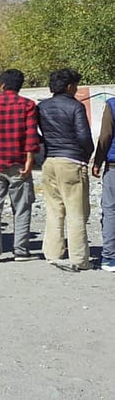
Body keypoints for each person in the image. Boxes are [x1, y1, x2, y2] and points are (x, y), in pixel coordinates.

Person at [0, 69, 41, 263]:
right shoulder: (28, 105)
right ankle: (20, 250)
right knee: (22, 207)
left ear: (2, 85)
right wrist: (30, 160)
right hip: (19, 164)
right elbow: (31, 135)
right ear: (19, 86)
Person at [38, 69, 94, 272]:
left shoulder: (42, 107)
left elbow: (39, 135)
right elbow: (84, 137)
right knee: (76, 212)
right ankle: (79, 258)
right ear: (69, 86)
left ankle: (52, 253)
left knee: (54, 210)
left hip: (49, 161)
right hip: (72, 161)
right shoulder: (76, 107)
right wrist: (87, 156)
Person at [92, 89, 115, 273]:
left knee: (111, 210)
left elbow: (106, 136)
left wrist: (97, 162)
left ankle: (109, 257)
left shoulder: (112, 104)